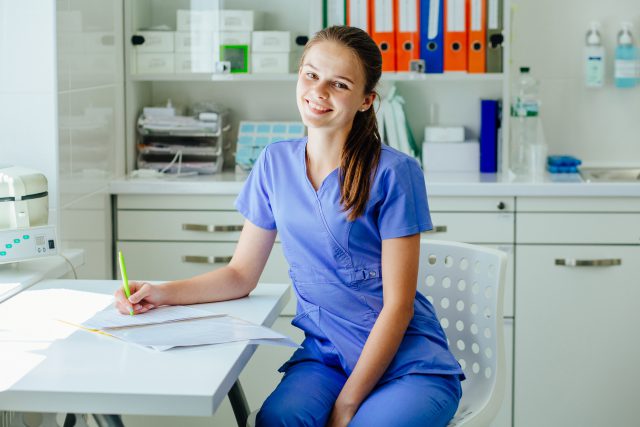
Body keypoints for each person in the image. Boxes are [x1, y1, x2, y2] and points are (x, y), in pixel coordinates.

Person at [115, 25, 463, 427]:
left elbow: (398, 307)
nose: (319, 92)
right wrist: (160, 293)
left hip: (407, 361)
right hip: (327, 357)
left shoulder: (394, 173)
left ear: (366, 100)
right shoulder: (274, 163)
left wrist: (347, 405)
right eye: (311, 75)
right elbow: (240, 275)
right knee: (277, 420)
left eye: (340, 84)